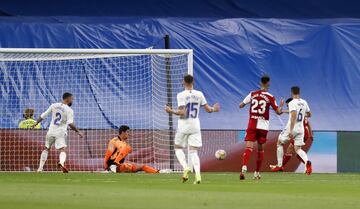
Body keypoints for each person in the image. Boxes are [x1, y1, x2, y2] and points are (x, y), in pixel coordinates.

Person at [165, 74, 220, 184]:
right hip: (195, 125)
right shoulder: (199, 94)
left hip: (184, 125)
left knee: (177, 147)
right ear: (193, 82)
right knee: (193, 151)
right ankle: (198, 176)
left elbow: (182, 112)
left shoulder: (181, 95)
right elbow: (208, 109)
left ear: (183, 82)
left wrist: (170, 110)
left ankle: (185, 167)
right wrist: (214, 109)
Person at [239, 75, 284, 180]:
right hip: (263, 126)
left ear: (260, 83)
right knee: (260, 149)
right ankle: (257, 172)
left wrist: (247, 102)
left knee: (248, 146)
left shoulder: (252, 94)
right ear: (268, 84)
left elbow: (241, 105)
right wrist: (281, 106)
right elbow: (278, 112)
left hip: (252, 123)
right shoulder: (270, 97)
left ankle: (243, 167)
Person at [32, 92, 84, 173]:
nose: (72, 101)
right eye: (72, 99)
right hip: (60, 132)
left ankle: (40, 168)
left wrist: (36, 122)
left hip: (51, 130)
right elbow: (70, 123)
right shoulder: (69, 110)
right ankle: (61, 163)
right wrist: (78, 131)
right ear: (67, 99)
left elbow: (44, 115)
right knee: (62, 149)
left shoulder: (54, 105)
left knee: (46, 149)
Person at [272, 87, 313, 175]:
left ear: (292, 93)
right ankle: (307, 162)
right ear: (299, 92)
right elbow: (310, 114)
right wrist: (301, 115)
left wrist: (290, 130)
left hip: (292, 127)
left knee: (279, 142)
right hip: (301, 129)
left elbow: (293, 115)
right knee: (298, 149)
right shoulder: (304, 102)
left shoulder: (292, 102)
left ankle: (279, 165)